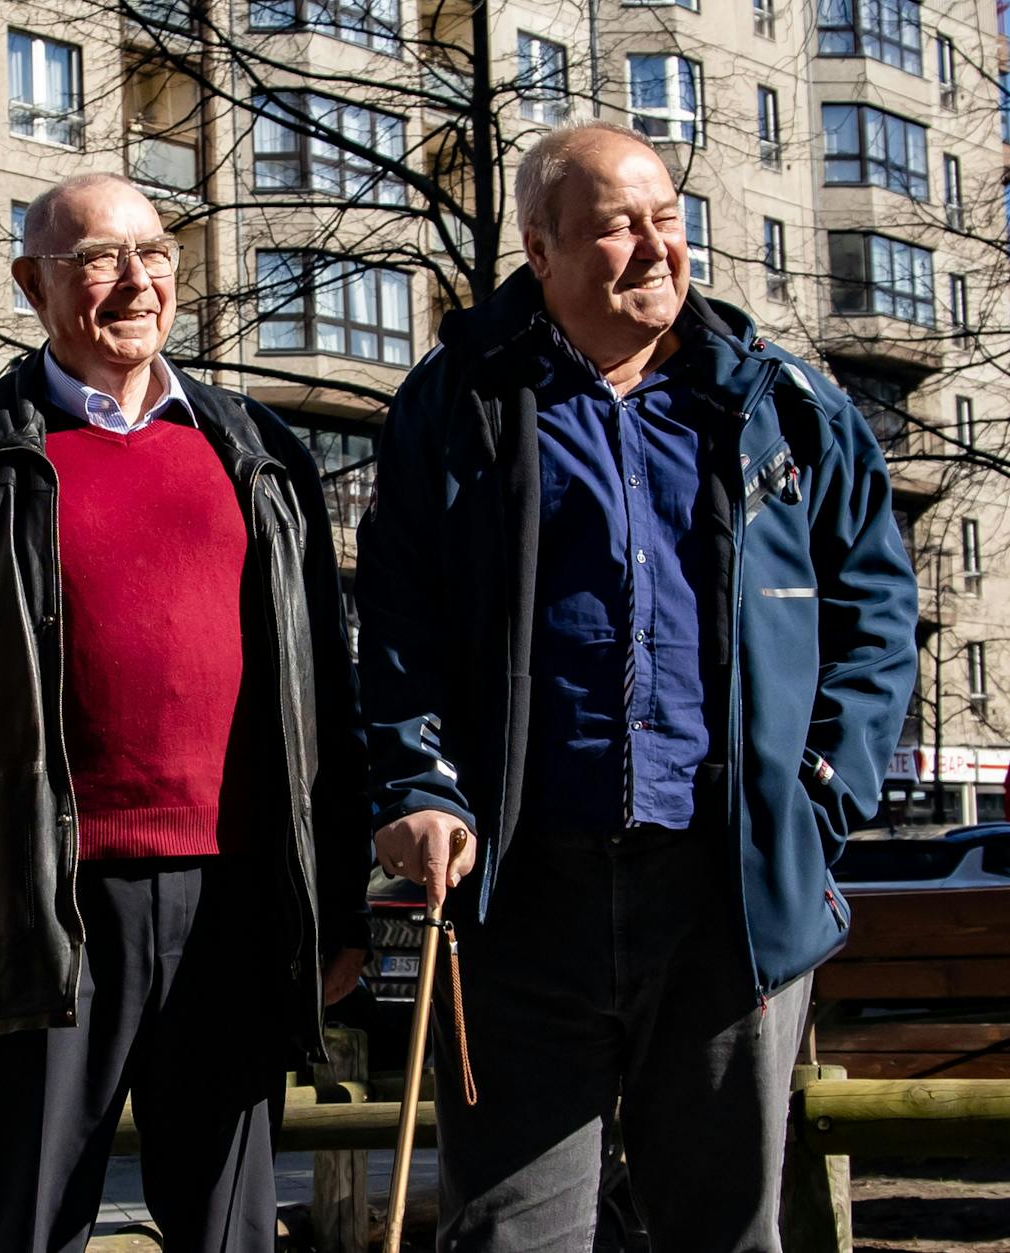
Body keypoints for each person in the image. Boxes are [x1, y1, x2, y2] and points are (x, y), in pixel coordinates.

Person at [357, 119, 918, 1253]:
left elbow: (873, 616)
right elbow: (400, 620)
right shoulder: (458, 401)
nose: (658, 247)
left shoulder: (782, 406)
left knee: (721, 1232)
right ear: (539, 248)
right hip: (522, 898)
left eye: (669, 218)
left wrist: (815, 795)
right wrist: (419, 784)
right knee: (510, 1234)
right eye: (619, 226)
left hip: (727, 893)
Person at [0, 172, 370, 1253]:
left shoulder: (260, 451)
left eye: (154, 254)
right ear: (30, 283)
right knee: (32, 1223)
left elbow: (326, 687)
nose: (136, 281)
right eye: (96, 258)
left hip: (233, 903)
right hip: (42, 908)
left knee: (230, 1232)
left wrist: (336, 905)